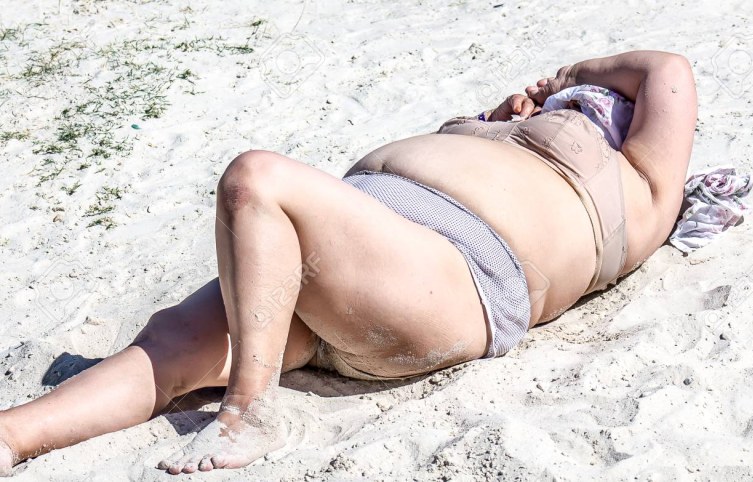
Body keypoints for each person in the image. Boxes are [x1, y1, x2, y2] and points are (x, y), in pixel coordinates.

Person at [0, 50, 697, 476]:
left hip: (449, 281)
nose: (567, 110)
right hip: (342, 270)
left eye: (594, 109)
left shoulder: (640, 185)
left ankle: (250, 410)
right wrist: (505, 118)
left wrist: (566, 76)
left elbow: (667, 70)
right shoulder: (507, 127)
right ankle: (14, 435)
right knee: (173, 343)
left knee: (255, 180)